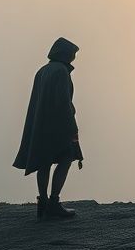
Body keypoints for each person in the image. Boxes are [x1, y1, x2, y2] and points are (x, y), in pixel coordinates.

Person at [13, 37, 84, 219]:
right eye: (73, 54)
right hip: (58, 126)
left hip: (41, 126)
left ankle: (43, 203)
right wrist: (73, 128)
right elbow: (63, 103)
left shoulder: (42, 71)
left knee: (43, 162)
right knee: (67, 158)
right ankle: (53, 202)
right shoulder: (61, 71)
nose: (74, 57)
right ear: (65, 54)